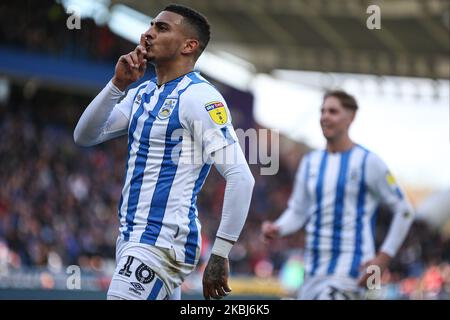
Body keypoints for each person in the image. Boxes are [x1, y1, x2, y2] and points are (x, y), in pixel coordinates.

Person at [74, 4, 254, 300]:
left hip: (160, 241)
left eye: (162, 28)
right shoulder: (142, 93)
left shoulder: (200, 96)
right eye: (150, 25)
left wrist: (220, 253)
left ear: (189, 46)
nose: (148, 34)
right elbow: (85, 135)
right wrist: (117, 85)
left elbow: (241, 177)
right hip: (133, 238)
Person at [261, 90, 415, 300]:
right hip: (313, 272)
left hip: (352, 272)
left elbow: (404, 210)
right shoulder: (310, 162)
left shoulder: (368, 162)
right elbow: (298, 210)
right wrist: (278, 227)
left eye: (333, 111)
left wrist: (383, 258)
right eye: (322, 111)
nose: (325, 116)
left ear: (350, 117)